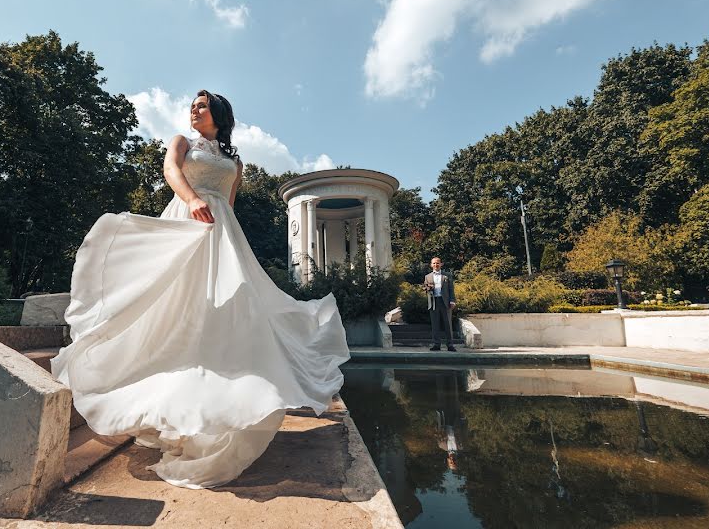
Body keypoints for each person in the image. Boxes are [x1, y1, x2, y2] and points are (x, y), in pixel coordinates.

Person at [50, 90, 350, 489]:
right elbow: (171, 171)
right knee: (173, 305)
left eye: (202, 104)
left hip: (221, 229)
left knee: (232, 304)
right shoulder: (182, 142)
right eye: (193, 104)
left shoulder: (235, 161)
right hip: (186, 218)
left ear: (220, 114)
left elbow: (229, 200)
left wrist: (222, 227)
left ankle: (218, 406)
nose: (194, 108)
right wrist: (191, 199)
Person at [424, 257, 456, 351]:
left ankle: (450, 345)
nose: (435, 265)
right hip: (434, 302)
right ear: (431, 265)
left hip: (445, 302)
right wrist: (428, 288)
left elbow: (451, 289)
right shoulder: (427, 276)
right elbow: (425, 288)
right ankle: (436, 344)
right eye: (434, 263)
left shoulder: (447, 275)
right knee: (435, 324)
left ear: (441, 264)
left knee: (448, 324)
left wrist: (452, 300)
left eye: (437, 263)